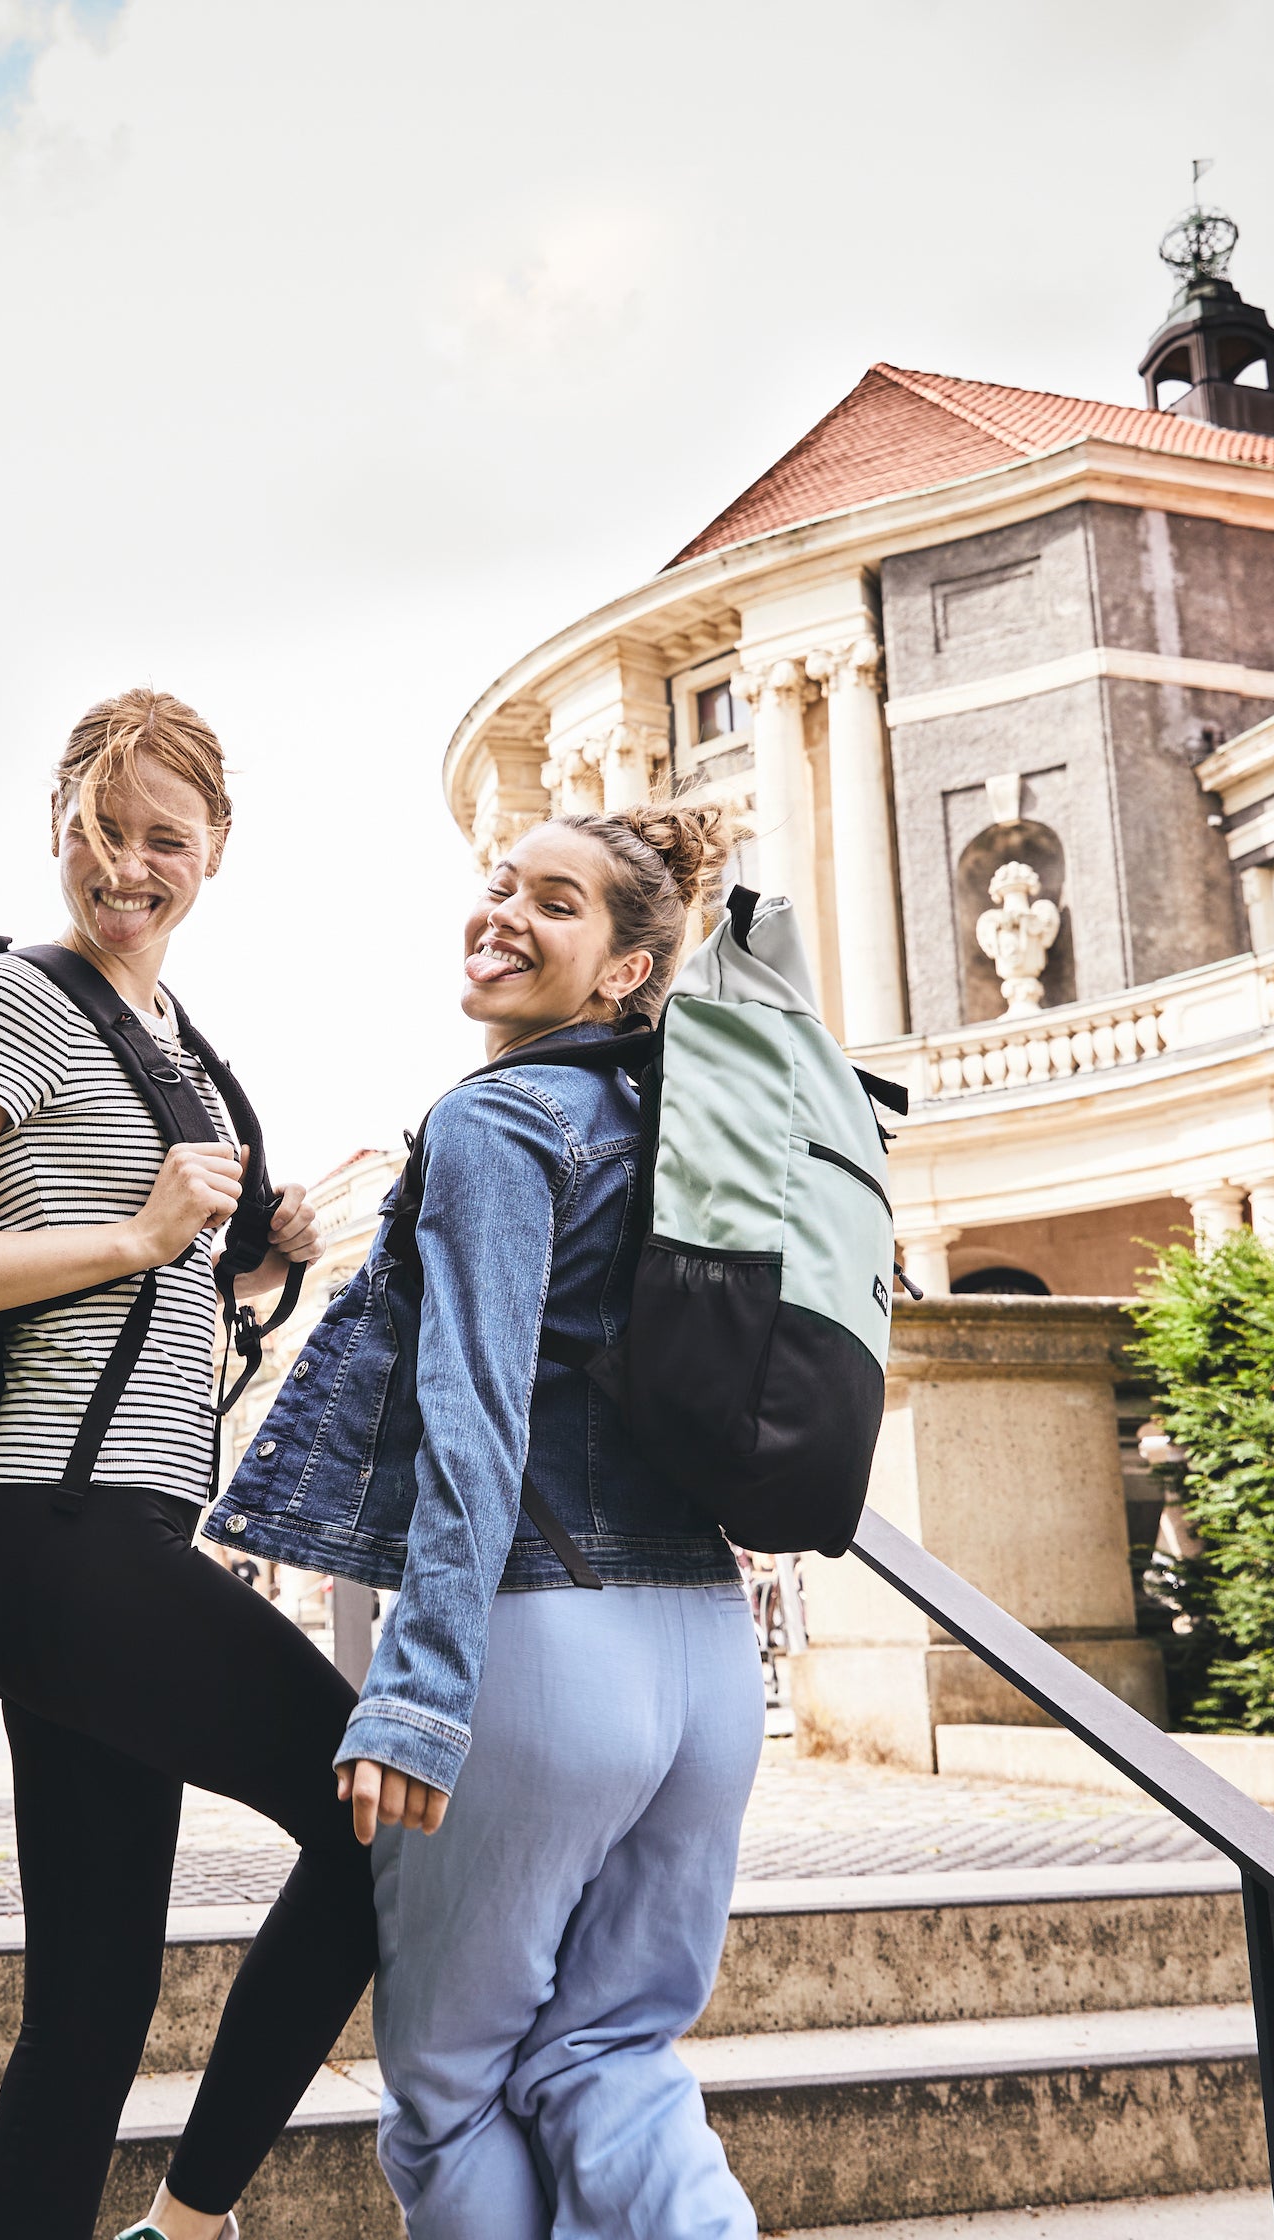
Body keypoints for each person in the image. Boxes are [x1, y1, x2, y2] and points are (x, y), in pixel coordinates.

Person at [0, 688, 370, 2240]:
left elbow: (153, 1301)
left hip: (123, 1533)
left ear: (216, 854)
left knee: (91, 2001)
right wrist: (138, 1233)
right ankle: (192, 2226)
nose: (130, 866)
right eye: (104, 830)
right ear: (60, 823)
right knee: (368, 1819)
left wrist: (251, 1264)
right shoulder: (11, 1003)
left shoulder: (178, 1044)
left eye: (167, 840)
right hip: (61, 1542)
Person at [207, 804, 762, 2239]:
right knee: (611, 2056)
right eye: (501, 882)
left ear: (629, 971)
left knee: (448, 2091)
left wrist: (419, 1689)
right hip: (708, 1655)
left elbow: (476, 1411)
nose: (505, 910)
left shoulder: (501, 1115)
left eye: (558, 903)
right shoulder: (692, 1123)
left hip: (541, 1643)